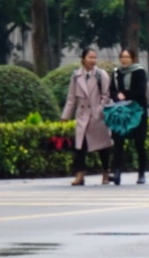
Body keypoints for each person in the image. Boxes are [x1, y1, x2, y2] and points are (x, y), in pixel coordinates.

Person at [62, 48, 113, 185]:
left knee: (103, 147)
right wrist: (65, 116)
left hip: (97, 116)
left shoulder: (101, 75)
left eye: (94, 58)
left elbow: (106, 96)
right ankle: (80, 174)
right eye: (90, 57)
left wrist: (99, 111)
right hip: (83, 116)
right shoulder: (76, 76)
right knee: (80, 146)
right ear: (83, 59)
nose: (93, 60)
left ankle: (105, 172)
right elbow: (71, 98)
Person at [110, 48, 149, 184]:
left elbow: (140, 91)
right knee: (118, 142)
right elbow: (112, 90)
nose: (124, 60)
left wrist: (125, 94)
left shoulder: (139, 71)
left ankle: (141, 173)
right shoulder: (116, 73)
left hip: (137, 112)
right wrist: (117, 95)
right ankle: (117, 172)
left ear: (132, 58)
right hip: (121, 112)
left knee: (139, 143)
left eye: (127, 57)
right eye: (122, 57)